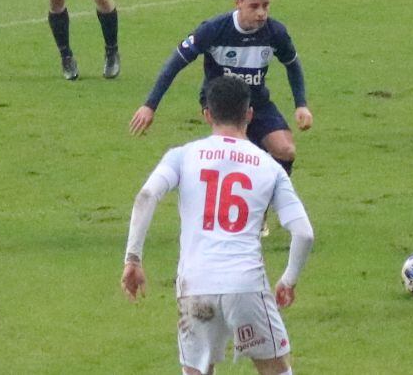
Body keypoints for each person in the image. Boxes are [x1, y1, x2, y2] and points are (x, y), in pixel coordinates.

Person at [121, 75, 315, 375]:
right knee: (276, 369)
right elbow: (303, 233)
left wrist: (133, 258)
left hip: (195, 284)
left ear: (207, 114)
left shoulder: (182, 156)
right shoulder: (269, 166)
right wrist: (288, 280)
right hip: (247, 285)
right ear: (249, 114)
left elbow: (146, 196)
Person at [130, 0, 313, 177]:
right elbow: (174, 64)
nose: (261, 13)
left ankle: (267, 200)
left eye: (266, 5)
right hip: (221, 103)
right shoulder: (214, 29)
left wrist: (301, 104)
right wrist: (150, 105)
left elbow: (292, 64)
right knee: (241, 154)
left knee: (286, 150)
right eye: (254, 6)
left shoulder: (275, 32)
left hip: (257, 101)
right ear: (238, 3)